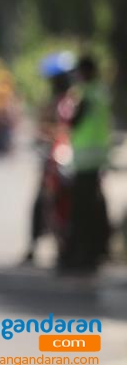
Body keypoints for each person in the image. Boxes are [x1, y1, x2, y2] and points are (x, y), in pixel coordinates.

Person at [58, 55, 112, 272]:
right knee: (95, 208)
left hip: (85, 162)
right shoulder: (101, 92)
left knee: (81, 211)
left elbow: (74, 121)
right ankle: (95, 251)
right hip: (98, 159)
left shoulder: (87, 94)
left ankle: (82, 255)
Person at [23, 53, 75, 264]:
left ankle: (64, 247)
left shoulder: (70, 102)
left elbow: (65, 131)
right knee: (42, 205)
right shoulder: (55, 102)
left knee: (60, 205)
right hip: (52, 162)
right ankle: (37, 245)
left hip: (66, 162)